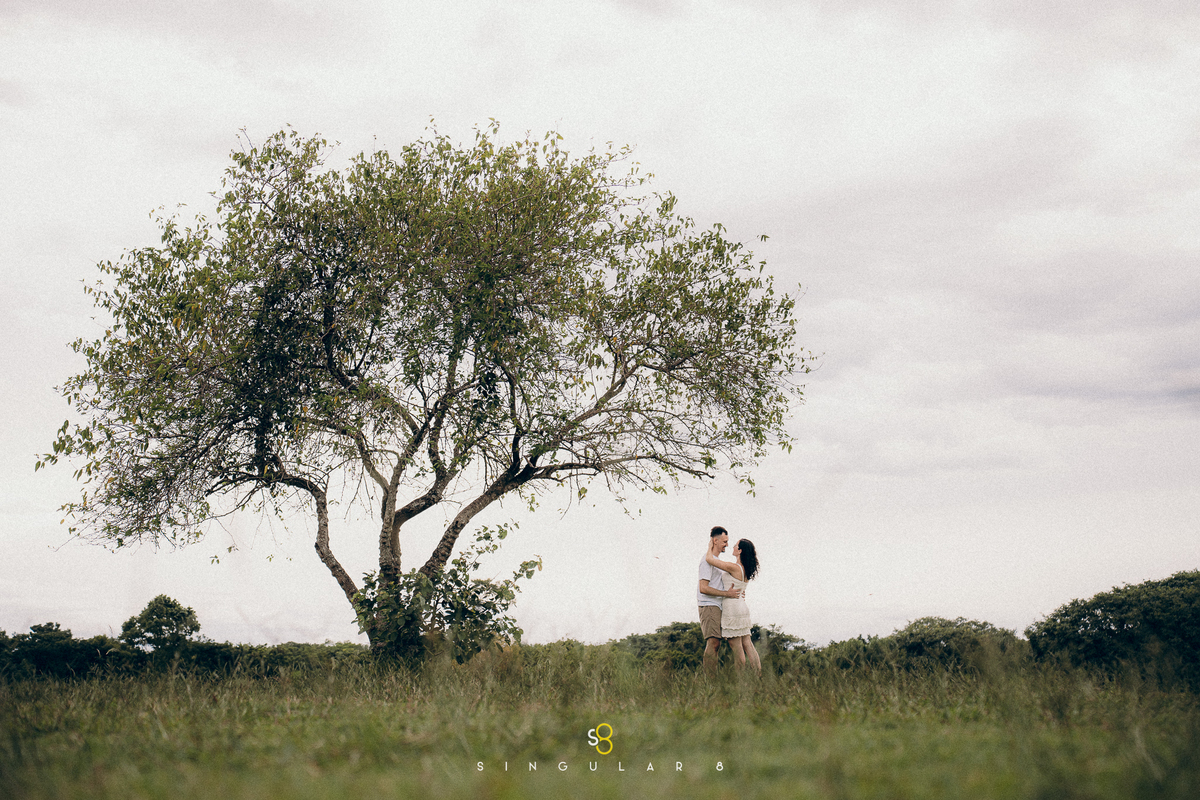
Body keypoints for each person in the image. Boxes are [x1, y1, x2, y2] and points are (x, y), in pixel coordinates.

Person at [705, 537, 761, 673]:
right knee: (748, 644)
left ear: (740, 551)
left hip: (732, 608)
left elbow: (709, 559)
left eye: (735, 546)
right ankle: (758, 676)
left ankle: (740, 680)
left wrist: (710, 546)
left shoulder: (734, 567)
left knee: (736, 647)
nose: (733, 547)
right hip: (741, 605)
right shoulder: (746, 569)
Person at [698, 526, 743, 673]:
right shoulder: (706, 561)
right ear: (715, 541)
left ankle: (713, 680)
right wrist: (726, 594)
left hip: (718, 605)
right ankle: (710, 683)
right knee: (713, 643)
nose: (727, 544)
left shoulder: (715, 561)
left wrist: (738, 592)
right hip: (709, 604)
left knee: (717, 644)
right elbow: (703, 588)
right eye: (724, 541)